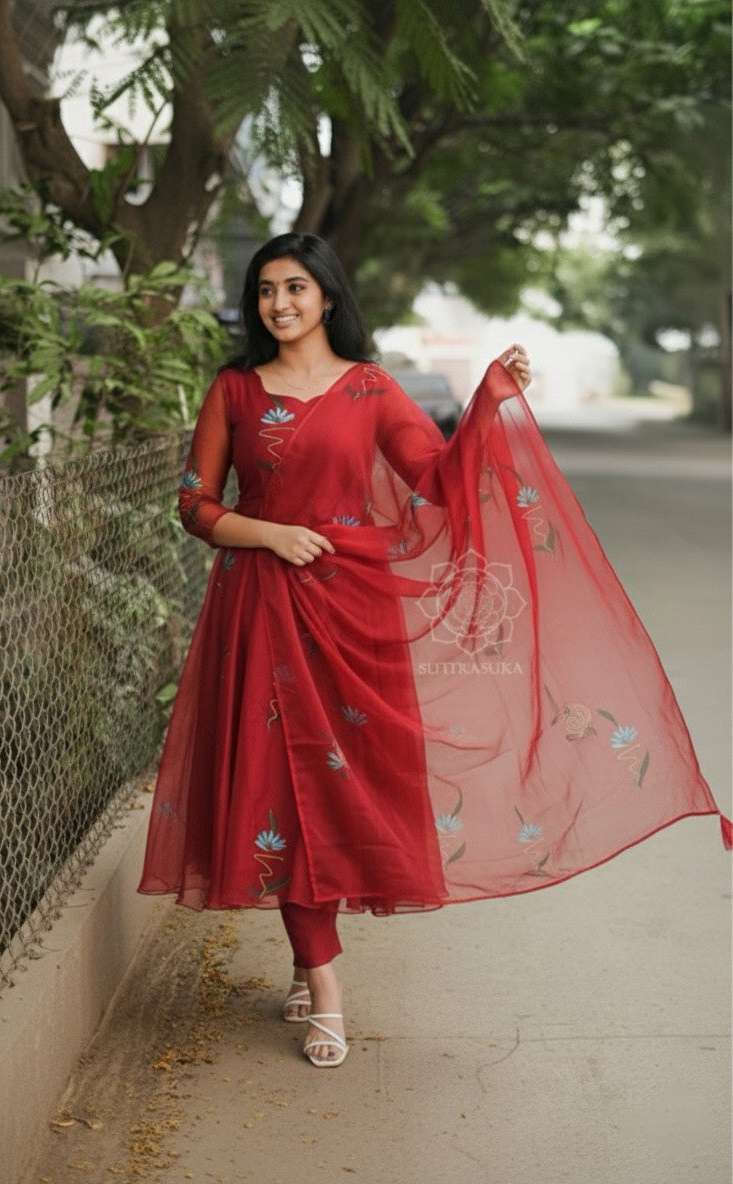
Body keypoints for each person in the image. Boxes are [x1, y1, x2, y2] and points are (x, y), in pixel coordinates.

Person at [138, 232, 730, 1068]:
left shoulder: (373, 390)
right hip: (263, 612)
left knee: (350, 791)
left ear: (329, 298)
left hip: (357, 616)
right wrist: (268, 533)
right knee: (282, 790)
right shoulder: (234, 389)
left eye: (297, 287)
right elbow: (194, 505)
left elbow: (442, 484)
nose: (279, 304)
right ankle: (325, 980)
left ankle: (315, 958)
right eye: (266, 289)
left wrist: (489, 403)